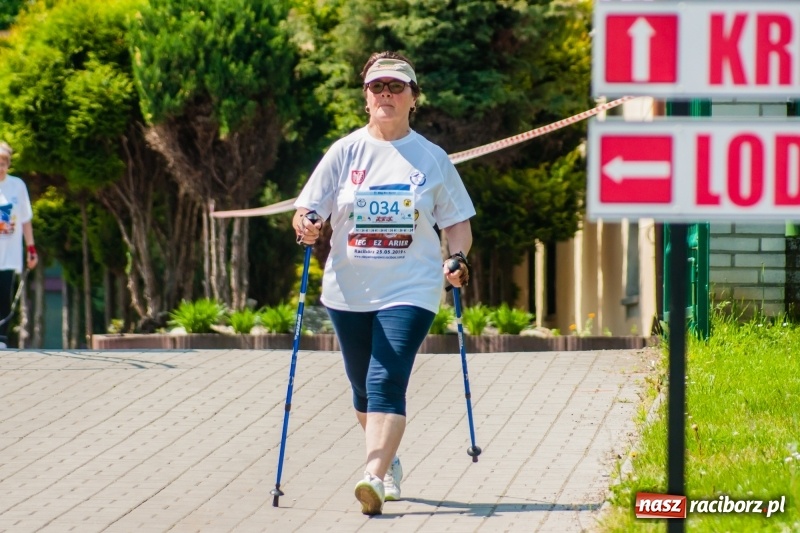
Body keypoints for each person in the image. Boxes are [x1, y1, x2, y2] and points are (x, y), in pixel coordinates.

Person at [293, 51, 475, 516]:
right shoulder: (345, 151)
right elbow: (308, 210)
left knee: (385, 378)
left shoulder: (431, 158)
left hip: (410, 288)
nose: (386, 94)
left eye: (397, 87)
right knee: (361, 388)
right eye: (378, 87)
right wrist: (309, 225)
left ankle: (373, 477)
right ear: (366, 97)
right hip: (347, 289)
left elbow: (457, 223)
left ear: (414, 98)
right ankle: (388, 460)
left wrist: (456, 257)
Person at [0, 142, 37, 348]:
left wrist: (31, 249)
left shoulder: (17, 186)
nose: (0, 167)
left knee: (5, 294)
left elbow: (25, 220)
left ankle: (2, 337)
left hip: (9, 253)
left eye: (4, 162)